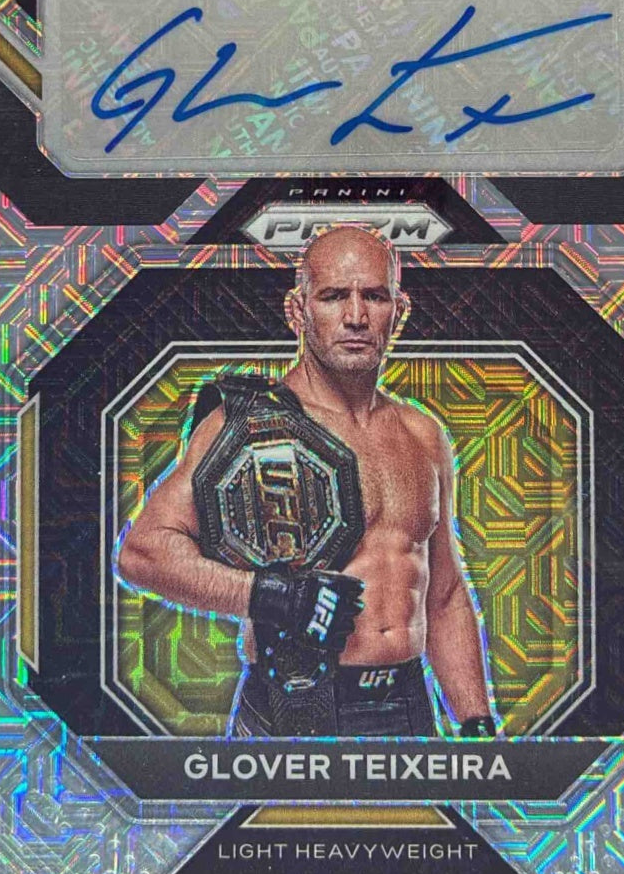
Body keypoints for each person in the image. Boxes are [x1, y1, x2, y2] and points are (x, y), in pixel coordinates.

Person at [118, 225, 496, 739]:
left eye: (375, 296)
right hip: (293, 708)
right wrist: (268, 596)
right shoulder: (249, 426)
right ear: (298, 310)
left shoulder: (422, 435)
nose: (356, 316)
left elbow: (444, 595)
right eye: (334, 296)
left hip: (407, 708)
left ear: (399, 311)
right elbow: (143, 553)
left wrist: (475, 721)